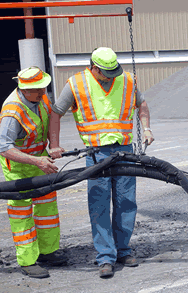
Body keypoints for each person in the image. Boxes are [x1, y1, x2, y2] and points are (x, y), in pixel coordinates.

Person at [49, 47, 154, 278]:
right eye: (107, 72)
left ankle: (123, 250)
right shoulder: (76, 84)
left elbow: (141, 104)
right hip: (96, 154)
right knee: (99, 205)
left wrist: (146, 128)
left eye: (114, 71)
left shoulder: (126, 79)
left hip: (124, 150)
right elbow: (56, 112)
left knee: (126, 202)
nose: (112, 76)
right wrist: (54, 144)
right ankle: (105, 256)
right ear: (94, 68)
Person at [0, 66, 68, 279]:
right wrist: (37, 161)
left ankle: (48, 252)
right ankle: (28, 261)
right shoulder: (12, 111)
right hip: (18, 165)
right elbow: (5, 148)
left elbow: (52, 118)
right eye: (37, 90)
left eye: (44, 88)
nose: (43, 92)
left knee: (47, 207)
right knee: (22, 211)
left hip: (39, 159)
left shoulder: (41, 98)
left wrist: (53, 145)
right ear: (24, 89)